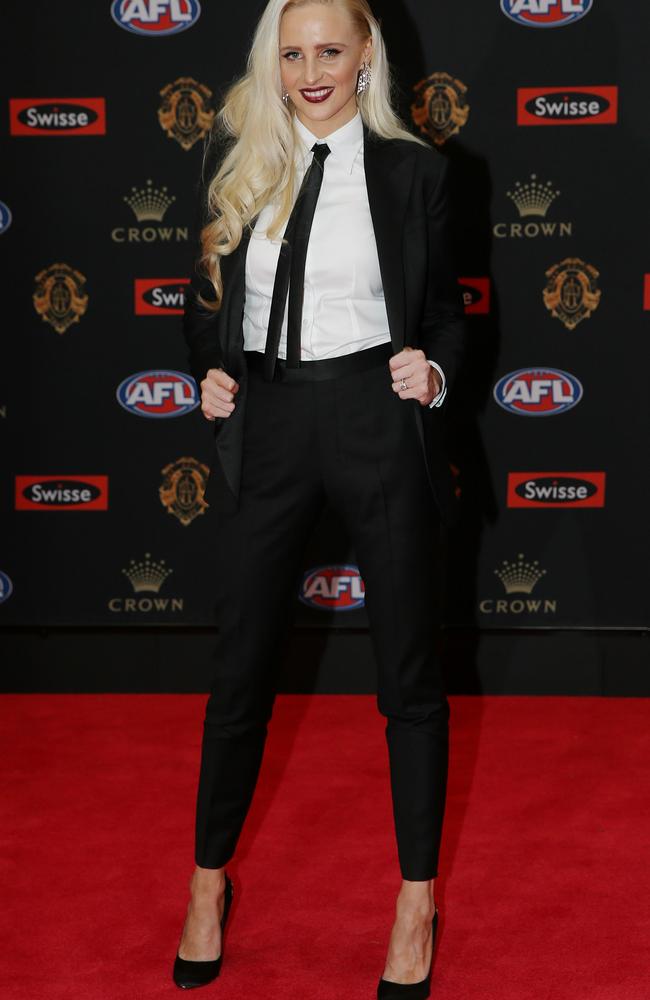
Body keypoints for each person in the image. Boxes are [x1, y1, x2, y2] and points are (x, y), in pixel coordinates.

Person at [173, 0, 467, 995]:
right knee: (239, 668)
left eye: (328, 51)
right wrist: (211, 372)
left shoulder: (417, 173)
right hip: (268, 421)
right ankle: (208, 884)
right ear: (273, 58)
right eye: (291, 52)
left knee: (408, 676)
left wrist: (430, 371)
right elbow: (202, 302)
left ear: (364, 55)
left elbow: (448, 309)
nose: (309, 71)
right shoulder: (238, 158)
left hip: (373, 418)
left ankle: (414, 896)